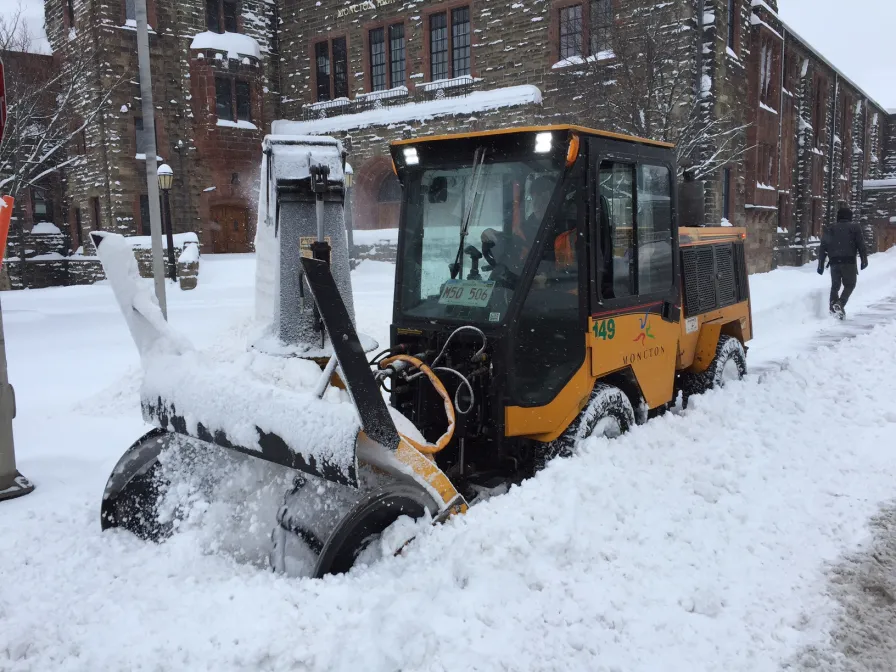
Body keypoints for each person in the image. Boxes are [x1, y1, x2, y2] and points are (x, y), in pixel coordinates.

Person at [817, 206, 868, 319]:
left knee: (835, 286)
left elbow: (823, 247)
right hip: (849, 262)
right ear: (849, 216)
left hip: (834, 262)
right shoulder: (855, 227)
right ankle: (840, 303)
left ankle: (833, 309)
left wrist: (820, 264)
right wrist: (864, 260)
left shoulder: (830, 228)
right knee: (850, 284)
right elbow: (861, 245)